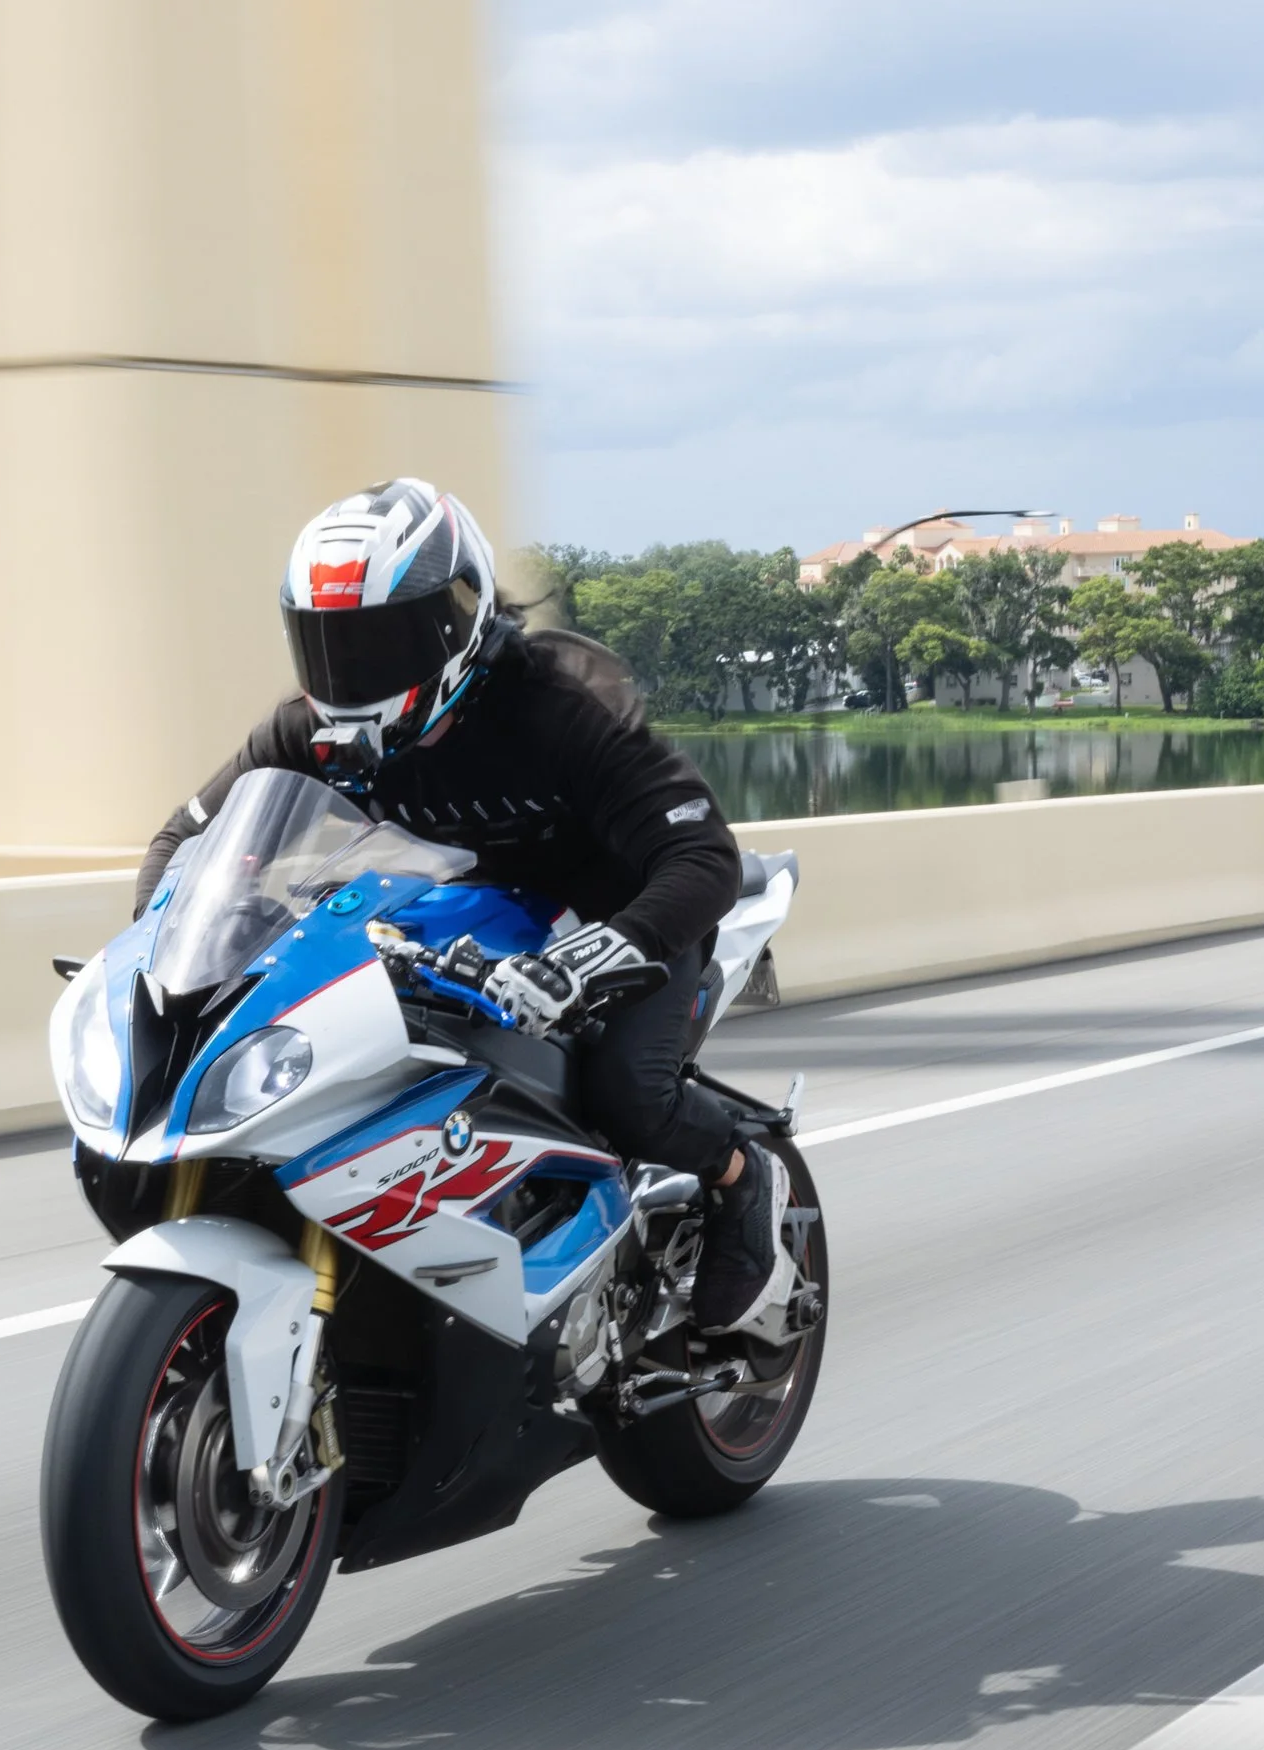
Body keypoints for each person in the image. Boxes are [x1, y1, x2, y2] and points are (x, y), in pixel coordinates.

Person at [135, 478, 786, 1331]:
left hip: (628, 921)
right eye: (327, 644)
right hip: (481, 921)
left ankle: (741, 1178)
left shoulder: (560, 709)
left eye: (375, 643)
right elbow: (181, 848)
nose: (348, 673)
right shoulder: (305, 734)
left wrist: (602, 953)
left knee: (627, 1093)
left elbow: (701, 854)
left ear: (458, 617)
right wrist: (161, 954)